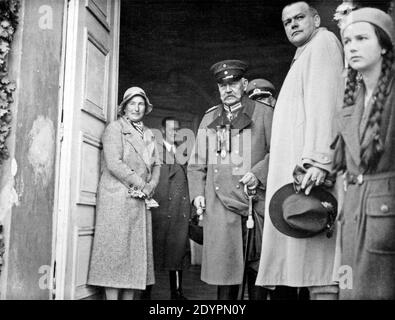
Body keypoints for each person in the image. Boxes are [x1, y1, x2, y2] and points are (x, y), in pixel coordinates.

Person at [256, 2, 344, 300]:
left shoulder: (323, 44)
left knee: (320, 269)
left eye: (299, 18)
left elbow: (325, 106)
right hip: (300, 176)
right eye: (287, 21)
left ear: (316, 19)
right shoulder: (304, 54)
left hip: (312, 176)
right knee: (307, 265)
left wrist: (319, 161)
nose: (293, 24)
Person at [187, 59, 273, 300]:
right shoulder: (210, 118)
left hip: (253, 207)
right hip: (219, 209)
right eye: (222, 85)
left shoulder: (263, 113)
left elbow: (279, 152)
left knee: (257, 277)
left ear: (244, 84)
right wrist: (198, 195)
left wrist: (257, 174)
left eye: (234, 83)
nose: (228, 89)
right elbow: (196, 164)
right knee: (225, 281)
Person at [332, 7, 395, 299]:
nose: (352, 46)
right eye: (347, 41)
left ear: (383, 45)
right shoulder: (351, 97)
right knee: (349, 289)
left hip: (384, 219)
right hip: (352, 215)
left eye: (361, 38)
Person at [88, 87, 160, 300]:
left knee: (134, 257)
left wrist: (152, 185)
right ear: (124, 107)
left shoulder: (148, 134)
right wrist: (141, 184)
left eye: (141, 104)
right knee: (115, 255)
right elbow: (114, 164)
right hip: (117, 200)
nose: (137, 108)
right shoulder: (115, 129)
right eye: (132, 103)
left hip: (139, 200)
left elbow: (157, 164)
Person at [149, 117, 191, 300]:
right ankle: (146, 294)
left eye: (177, 128)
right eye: (171, 128)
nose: (175, 131)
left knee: (178, 252)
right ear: (162, 130)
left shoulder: (184, 151)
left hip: (178, 208)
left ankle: (177, 293)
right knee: (152, 252)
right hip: (160, 206)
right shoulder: (153, 149)